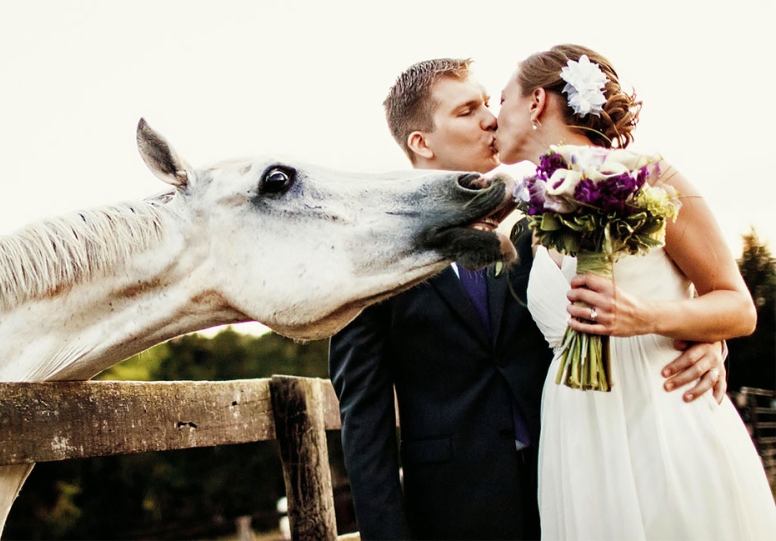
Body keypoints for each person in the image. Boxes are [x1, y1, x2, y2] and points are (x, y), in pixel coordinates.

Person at [329, 58, 728, 540]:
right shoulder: (371, 255)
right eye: (467, 110)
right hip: (456, 509)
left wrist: (707, 338)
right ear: (421, 142)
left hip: (573, 480)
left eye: (488, 104)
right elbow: (364, 416)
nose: (490, 119)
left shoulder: (548, 214)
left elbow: (641, 287)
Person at [493, 43, 776, 539]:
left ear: (536, 101)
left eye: (501, 101)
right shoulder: (534, 217)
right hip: (576, 429)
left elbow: (737, 305)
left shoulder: (653, 177)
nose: (494, 120)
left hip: (662, 410)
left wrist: (649, 317)